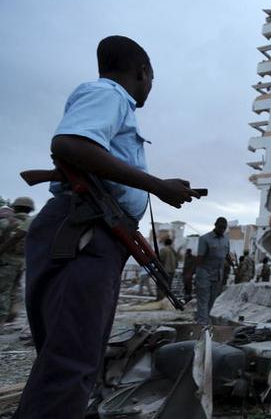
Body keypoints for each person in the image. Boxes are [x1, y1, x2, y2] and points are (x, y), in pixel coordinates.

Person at [14, 36, 200, 419]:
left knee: (71, 356)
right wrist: (158, 186)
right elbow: (69, 144)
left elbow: (86, 157)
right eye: (151, 79)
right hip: (82, 232)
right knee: (71, 360)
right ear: (142, 71)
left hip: (89, 232)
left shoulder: (110, 100)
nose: (150, 87)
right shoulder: (110, 94)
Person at [0, 197, 35, 323]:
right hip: (23, 262)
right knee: (16, 287)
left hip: (6, 261)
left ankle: (1, 319)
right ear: (30, 209)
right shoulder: (34, 222)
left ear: (14, 208)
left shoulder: (5, 222)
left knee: (2, 290)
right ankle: (13, 312)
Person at [195, 217, 230, 325]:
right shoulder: (204, 238)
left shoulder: (226, 239)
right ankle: (202, 323)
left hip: (218, 274)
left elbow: (227, 254)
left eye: (224, 228)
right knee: (203, 299)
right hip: (205, 272)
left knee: (212, 299)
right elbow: (200, 258)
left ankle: (203, 318)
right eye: (220, 227)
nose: (222, 230)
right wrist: (192, 273)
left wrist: (231, 263)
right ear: (215, 225)